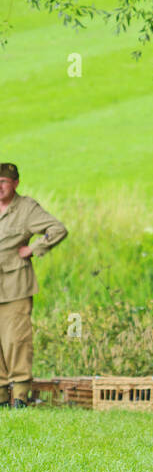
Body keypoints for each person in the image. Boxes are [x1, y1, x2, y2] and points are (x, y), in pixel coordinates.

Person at [0, 163, 68, 408]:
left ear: (15, 183)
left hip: (15, 286)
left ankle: (19, 395)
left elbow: (57, 229)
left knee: (16, 341)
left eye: (4, 182)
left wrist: (34, 248)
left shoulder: (26, 208)